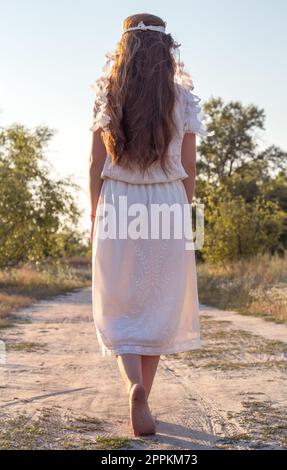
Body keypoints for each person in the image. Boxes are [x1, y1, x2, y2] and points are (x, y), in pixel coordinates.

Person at [88, 13, 207, 437]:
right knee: (158, 301)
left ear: (124, 51)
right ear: (166, 49)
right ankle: (145, 396)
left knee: (119, 301)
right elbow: (189, 166)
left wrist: (94, 213)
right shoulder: (183, 99)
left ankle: (133, 386)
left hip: (119, 199)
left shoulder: (108, 96)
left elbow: (95, 163)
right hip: (168, 204)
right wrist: (187, 220)